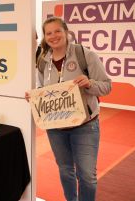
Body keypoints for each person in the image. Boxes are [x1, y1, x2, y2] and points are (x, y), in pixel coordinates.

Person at [25, 17, 112, 201]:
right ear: (45, 37)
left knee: (87, 177)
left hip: (85, 126)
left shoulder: (85, 54)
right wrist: (34, 98)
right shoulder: (42, 61)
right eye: (49, 33)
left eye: (57, 31)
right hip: (55, 128)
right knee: (65, 171)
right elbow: (43, 90)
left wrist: (90, 83)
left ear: (66, 32)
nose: (53, 36)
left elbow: (106, 86)